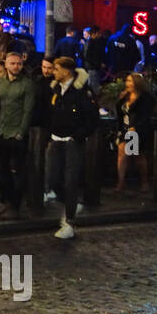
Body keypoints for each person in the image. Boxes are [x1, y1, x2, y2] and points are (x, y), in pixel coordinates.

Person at [46, 57, 97, 240]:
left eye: (57, 69)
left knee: (70, 181)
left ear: (67, 71)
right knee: (52, 178)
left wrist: (78, 135)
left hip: (72, 141)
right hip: (56, 139)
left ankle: (69, 221)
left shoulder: (82, 92)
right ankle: (72, 203)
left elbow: (92, 118)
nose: (54, 72)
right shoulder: (56, 89)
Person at [0, 51, 37, 219]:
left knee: (18, 170)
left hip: (17, 132)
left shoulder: (27, 84)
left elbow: (28, 110)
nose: (16, 66)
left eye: (19, 63)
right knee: (2, 169)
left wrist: (21, 132)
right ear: (6, 65)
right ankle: (8, 201)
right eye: (12, 63)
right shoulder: (0, 83)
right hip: (2, 131)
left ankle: (15, 205)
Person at [115, 73, 154, 192]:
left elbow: (145, 116)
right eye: (127, 81)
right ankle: (121, 182)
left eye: (130, 81)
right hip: (125, 129)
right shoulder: (125, 96)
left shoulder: (145, 98)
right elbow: (120, 114)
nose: (128, 84)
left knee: (138, 156)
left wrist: (136, 127)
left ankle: (144, 180)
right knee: (122, 153)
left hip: (137, 130)